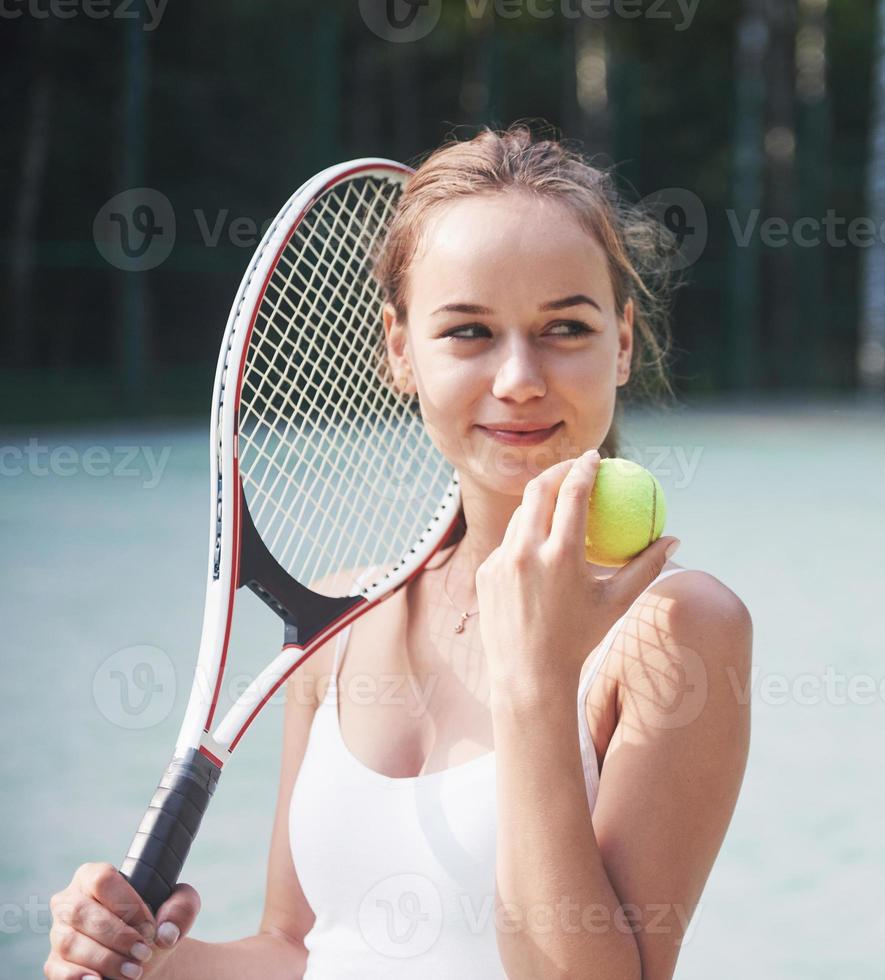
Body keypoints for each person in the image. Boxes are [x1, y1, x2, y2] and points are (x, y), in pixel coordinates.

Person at [45, 125, 753, 980]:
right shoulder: (335, 626)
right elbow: (298, 952)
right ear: (397, 349)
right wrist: (142, 960)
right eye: (467, 332)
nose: (520, 377)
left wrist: (536, 681)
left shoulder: (678, 628)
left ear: (624, 342)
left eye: (565, 326)